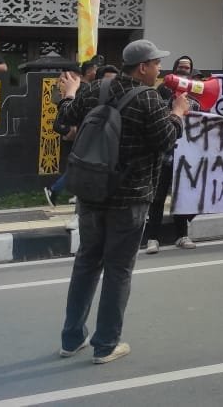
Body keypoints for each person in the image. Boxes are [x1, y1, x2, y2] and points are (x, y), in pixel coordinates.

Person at [56, 39, 187, 364]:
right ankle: (106, 344)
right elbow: (166, 140)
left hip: (91, 193)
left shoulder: (94, 90)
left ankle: (71, 339)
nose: (160, 70)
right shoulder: (150, 100)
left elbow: (66, 116)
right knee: (118, 270)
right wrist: (178, 113)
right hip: (130, 199)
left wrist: (70, 92)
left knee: (86, 263)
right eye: (156, 64)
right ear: (142, 67)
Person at [145, 56, 198, 253]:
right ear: (175, 69)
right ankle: (153, 238)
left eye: (188, 68)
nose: (184, 70)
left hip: (186, 156)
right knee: (158, 197)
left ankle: (182, 235)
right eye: (181, 67)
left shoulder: (197, 92)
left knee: (181, 197)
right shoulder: (162, 90)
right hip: (165, 153)